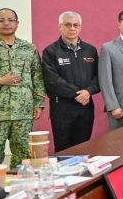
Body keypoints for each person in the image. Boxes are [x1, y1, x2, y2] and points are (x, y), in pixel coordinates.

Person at [0, 8, 45, 167]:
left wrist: (38, 103)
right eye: (1, 20)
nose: (6, 23)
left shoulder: (29, 48)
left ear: (17, 23)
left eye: (11, 20)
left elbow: (37, 77)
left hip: (23, 113)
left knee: (24, 159)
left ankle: (20, 183)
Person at [41, 11, 100, 151]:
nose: (72, 28)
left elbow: (99, 77)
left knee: (83, 148)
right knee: (64, 150)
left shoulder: (90, 50)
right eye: (68, 25)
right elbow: (52, 80)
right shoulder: (50, 51)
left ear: (80, 27)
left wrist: (88, 91)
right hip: (62, 108)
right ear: (60, 27)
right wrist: (76, 94)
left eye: (75, 25)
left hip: (85, 107)